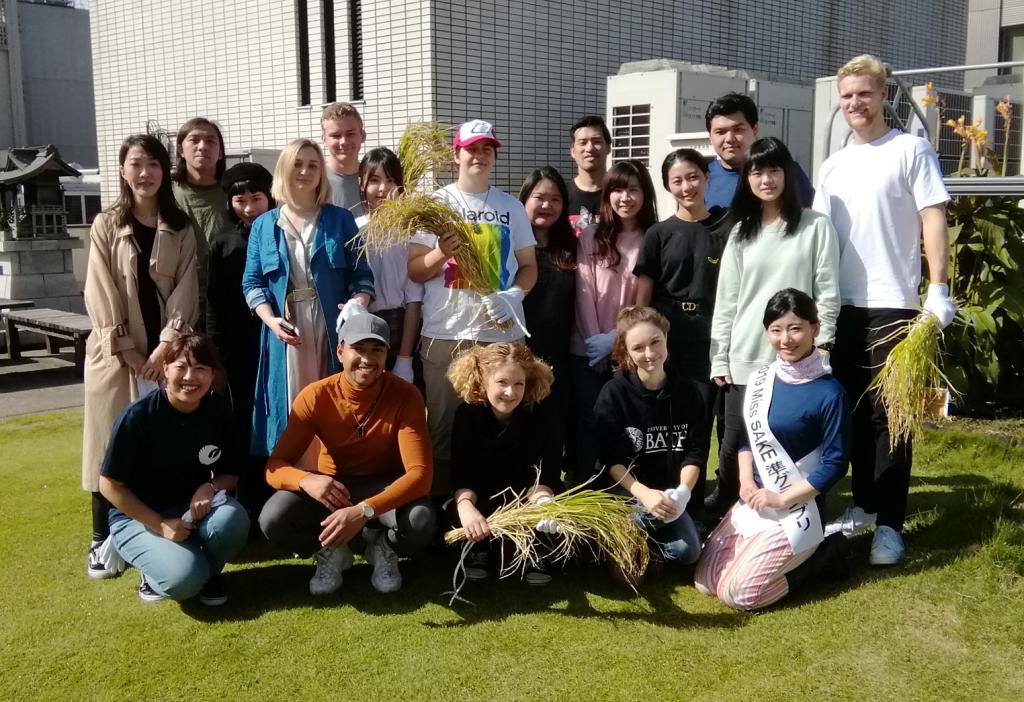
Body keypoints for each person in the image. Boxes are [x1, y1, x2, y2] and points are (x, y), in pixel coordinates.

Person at [814, 55, 955, 565]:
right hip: (840, 307)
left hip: (893, 304)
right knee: (849, 412)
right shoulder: (832, 165)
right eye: (847, 95)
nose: (855, 103)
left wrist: (938, 288)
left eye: (865, 94)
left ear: (883, 96)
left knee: (890, 417)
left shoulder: (910, 150)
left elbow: (932, 217)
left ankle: (890, 526)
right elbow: (820, 240)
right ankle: (864, 505)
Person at [82, 134, 198, 580]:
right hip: (115, 357)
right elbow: (99, 288)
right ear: (122, 171)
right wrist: (126, 347)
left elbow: (186, 290)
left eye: (152, 164)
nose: (144, 173)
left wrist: (166, 345)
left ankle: (154, 532)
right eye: (135, 164)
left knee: (159, 445)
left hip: (167, 358)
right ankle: (100, 538)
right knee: (107, 445)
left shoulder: (181, 226)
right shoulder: (106, 224)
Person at [705, 137, 840, 518]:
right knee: (735, 446)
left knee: (797, 442)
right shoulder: (740, 232)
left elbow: (827, 291)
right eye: (757, 171)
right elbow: (727, 302)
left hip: (798, 357)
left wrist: (823, 343)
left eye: (774, 169)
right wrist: (720, 357)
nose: (766, 179)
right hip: (746, 357)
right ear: (747, 178)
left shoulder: (815, 226)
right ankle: (733, 522)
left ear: (788, 174)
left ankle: (799, 519)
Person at [259, 313, 435, 595]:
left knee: (420, 520)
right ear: (340, 351)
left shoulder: (406, 395)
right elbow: (275, 466)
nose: (367, 359)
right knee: (273, 519)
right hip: (333, 487)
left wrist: (364, 510)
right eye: (359, 349)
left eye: (376, 350)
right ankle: (330, 551)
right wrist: (307, 480)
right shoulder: (315, 395)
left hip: (382, 485)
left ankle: (382, 548)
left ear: (386, 354)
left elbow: (420, 475)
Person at [695, 289, 851, 610]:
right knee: (705, 583)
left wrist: (780, 498)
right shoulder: (761, 380)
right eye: (776, 330)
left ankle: (822, 557)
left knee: (738, 594)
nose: (786, 339)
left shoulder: (830, 392)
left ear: (815, 329)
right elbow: (745, 440)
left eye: (796, 328)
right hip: (755, 500)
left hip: (797, 510)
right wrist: (747, 483)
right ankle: (762, 552)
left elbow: (835, 463)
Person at [408, 119, 537, 496]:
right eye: (471, 149)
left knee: (502, 419)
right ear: (456, 155)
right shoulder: (435, 205)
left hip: (500, 334)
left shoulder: (510, 207)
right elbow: (415, 269)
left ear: (494, 155)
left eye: (486, 149)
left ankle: (499, 500)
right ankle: (446, 506)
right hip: (447, 332)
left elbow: (528, 268)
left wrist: (513, 296)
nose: (478, 155)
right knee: (445, 427)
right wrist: (440, 253)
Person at [242, 138, 374, 472]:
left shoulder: (340, 220)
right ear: (284, 170)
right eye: (297, 164)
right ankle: (296, 488)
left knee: (334, 405)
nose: (305, 171)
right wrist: (271, 321)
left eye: (313, 164)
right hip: (285, 333)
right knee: (291, 407)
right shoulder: (264, 225)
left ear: (321, 173)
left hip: (333, 330)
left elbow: (362, 276)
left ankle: (333, 482)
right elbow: (252, 282)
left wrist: (356, 306)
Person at [99, 334, 250, 605]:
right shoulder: (138, 417)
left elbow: (232, 473)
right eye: (181, 367)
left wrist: (210, 486)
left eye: (201, 368)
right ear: (165, 370)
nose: (190, 377)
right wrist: (159, 525)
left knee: (234, 519)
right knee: (184, 580)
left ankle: (209, 572)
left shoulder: (218, 411)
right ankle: (155, 570)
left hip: (190, 511)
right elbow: (108, 484)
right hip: (137, 518)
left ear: (212, 374)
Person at [593, 306, 708, 583]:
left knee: (688, 552)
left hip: (669, 495)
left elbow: (696, 453)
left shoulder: (688, 392)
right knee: (631, 566)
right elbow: (610, 458)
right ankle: (616, 535)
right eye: (638, 347)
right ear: (626, 352)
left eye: (655, 342)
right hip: (627, 494)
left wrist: (682, 494)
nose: (649, 354)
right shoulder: (614, 393)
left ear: (666, 338)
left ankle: (643, 550)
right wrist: (643, 494)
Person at [447, 343, 562, 585]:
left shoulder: (542, 414)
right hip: (483, 497)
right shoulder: (466, 416)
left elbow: (547, 470)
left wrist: (543, 502)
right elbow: (462, 473)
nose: (510, 392)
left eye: (518, 383)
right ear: (483, 380)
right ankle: (478, 548)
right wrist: (466, 508)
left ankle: (533, 551)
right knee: (458, 510)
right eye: (502, 383)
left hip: (528, 498)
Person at [571, 159, 656, 480]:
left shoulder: (653, 237)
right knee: (590, 422)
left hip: (630, 351)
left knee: (628, 424)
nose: (625, 197)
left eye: (633, 189)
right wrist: (596, 344)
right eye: (618, 189)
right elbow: (583, 291)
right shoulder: (591, 235)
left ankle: (625, 490)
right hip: (587, 350)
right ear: (607, 195)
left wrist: (616, 342)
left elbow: (645, 300)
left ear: (645, 194)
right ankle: (585, 488)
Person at [207, 162, 276, 518]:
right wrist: (216, 357)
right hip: (239, 351)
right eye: (240, 200)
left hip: (280, 343)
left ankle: (281, 501)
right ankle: (246, 504)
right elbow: (213, 306)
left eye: (256, 198)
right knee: (245, 424)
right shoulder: (223, 245)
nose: (249, 207)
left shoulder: (283, 233)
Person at [518, 167, 576, 477]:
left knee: (553, 430)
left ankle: (549, 492)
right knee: (519, 428)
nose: (547, 205)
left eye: (556, 199)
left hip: (560, 356)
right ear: (524, 199)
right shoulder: (511, 248)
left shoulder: (572, 249)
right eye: (539, 197)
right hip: (519, 355)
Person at [354, 147, 422, 384]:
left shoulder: (410, 231)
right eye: (375, 180)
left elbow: (414, 300)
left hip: (402, 324)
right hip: (362, 322)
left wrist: (405, 358)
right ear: (361, 183)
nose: (383, 189)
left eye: (390, 180)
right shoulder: (354, 229)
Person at [704, 93, 814, 209]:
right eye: (720, 132)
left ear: (755, 129)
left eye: (738, 129)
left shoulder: (787, 172)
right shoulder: (699, 178)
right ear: (710, 138)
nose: (730, 139)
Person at [172, 117, 231, 316]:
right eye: (194, 140)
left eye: (211, 141)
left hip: (228, 300)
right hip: (178, 301)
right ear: (180, 149)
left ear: (221, 152)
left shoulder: (235, 192)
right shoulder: (166, 193)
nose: (202, 147)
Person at [566, 116, 611, 234]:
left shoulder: (619, 195)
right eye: (582, 143)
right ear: (573, 151)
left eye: (596, 141)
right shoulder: (561, 196)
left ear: (608, 147)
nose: (589, 148)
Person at [321, 102, 366, 211]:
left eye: (350, 134)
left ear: (363, 136)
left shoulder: (375, 180)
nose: (344, 142)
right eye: (336, 136)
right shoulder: (316, 180)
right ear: (324, 140)